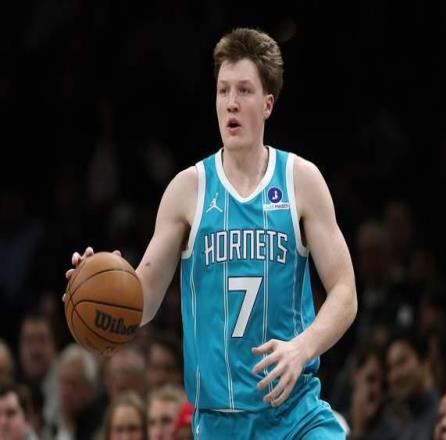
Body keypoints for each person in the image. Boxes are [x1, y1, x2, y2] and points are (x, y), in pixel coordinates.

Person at [66, 27, 357, 439]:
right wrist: (99, 280)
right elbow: (143, 303)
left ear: (268, 104)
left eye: (244, 91)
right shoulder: (188, 190)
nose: (231, 103)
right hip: (219, 422)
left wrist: (302, 347)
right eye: (223, 91)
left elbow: (345, 292)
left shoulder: (300, 181)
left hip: (295, 415)